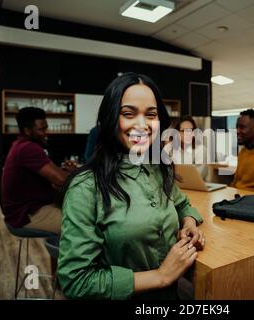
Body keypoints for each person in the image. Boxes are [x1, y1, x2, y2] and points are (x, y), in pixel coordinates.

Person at [58, 73, 205, 300]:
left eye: (151, 115)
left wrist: (189, 222)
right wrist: (160, 276)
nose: (142, 125)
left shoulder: (159, 168)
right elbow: (76, 280)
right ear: (110, 118)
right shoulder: (86, 187)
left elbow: (182, 203)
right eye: (128, 113)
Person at [1, 107, 76, 234]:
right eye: (41, 129)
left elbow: (53, 170)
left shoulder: (20, 144)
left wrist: (64, 171)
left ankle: (57, 251)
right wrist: (80, 171)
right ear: (27, 131)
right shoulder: (29, 148)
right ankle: (58, 250)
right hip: (26, 215)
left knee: (75, 213)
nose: (46, 132)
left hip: (26, 210)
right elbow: (61, 180)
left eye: (46, 127)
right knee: (80, 227)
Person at [168, 115, 208, 180]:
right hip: (175, 187)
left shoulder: (201, 150)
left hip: (195, 187)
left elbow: (198, 176)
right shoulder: (170, 148)